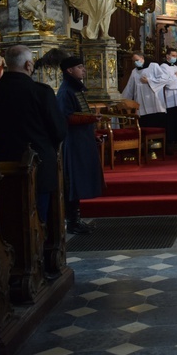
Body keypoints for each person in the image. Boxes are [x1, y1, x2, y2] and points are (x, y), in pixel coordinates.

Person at [0, 45, 67, 225]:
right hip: (40, 163)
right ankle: (39, 250)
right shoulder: (42, 92)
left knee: (9, 216)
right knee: (38, 218)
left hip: (3, 161)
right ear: (28, 65)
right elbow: (59, 131)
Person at [56, 55, 105, 234]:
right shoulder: (65, 91)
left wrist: (93, 135)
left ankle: (76, 219)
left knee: (78, 180)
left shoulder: (75, 89)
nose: (83, 70)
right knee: (72, 182)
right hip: (73, 142)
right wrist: (90, 118)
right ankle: (73, 221)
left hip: (82, 140)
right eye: (79, 67)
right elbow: (66, 117)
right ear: (69, 70)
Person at [121, 52, 168, 129]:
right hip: (141, 104)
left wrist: (149, 81)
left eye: (137, 60)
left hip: (154, 103)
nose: (136, 63)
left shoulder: (153, 66)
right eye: (134, 61)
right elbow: (129, 88)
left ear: (142, 58)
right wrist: (122, 100)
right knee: (144, 125)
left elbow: (164, 79)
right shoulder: (134, 71)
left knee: (156, 125)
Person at [161, 47, 177, 154]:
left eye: (176, 56)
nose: (175, 58)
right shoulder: (163, 67)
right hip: (170, 97)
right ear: (167, 56)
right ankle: (171, 141)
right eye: (173, 56)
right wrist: (176, 76)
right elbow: (166, 82)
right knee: (172, 119)